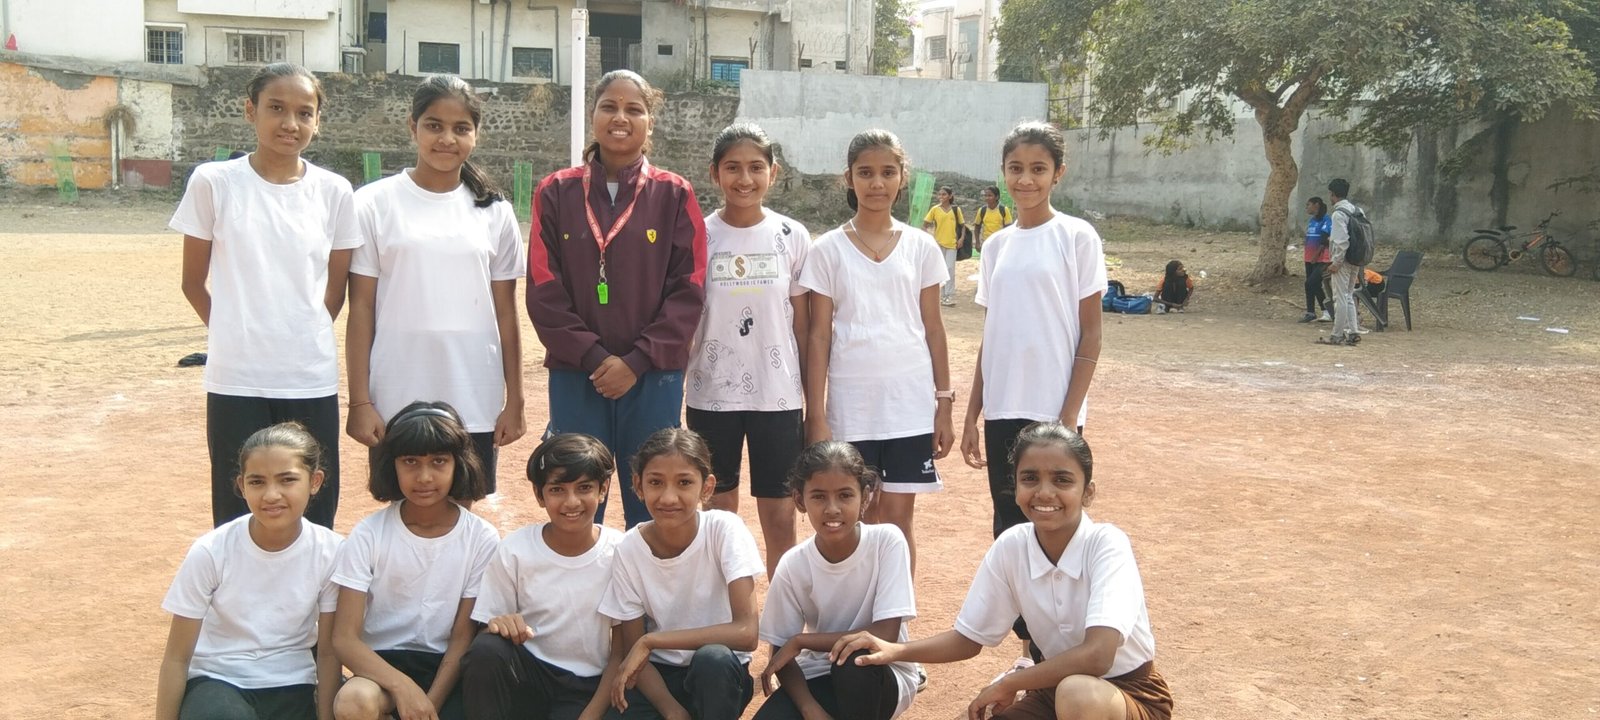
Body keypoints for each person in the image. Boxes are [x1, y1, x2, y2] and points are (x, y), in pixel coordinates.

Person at [833, 423, 1174, 720]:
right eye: (1030, 478)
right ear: (1015, 486)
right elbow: (968, 639)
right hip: (1052, 690)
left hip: (1128, 695)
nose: (1044, 492)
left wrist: (1012, 682)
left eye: (1062, 480)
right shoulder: (1013, 546)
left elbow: (1098, 656)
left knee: (1078, 694)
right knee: (1066, 693)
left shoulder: (1107, 543)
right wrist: (896, 650)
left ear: (1088, 492)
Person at [173, 62, 360, 529]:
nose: (290, 123)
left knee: (315, 505)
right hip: (237, 377)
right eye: (276, 108)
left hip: (309, 375)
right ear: (249, 110)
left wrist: (302, 331)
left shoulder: (334, 191)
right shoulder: (214, 182)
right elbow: (193, 282)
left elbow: (336, 288)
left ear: (317, 120)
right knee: (239, 505)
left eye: (304, 112)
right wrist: (234, 332)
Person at [526, 69, 707, 528]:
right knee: (580, 494)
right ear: (593, 115)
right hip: (576, 373)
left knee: (653, 497)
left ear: (650, 121)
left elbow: (688, 289)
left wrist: (637, 361)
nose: (620, 118)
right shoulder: (555, 191)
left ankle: (651, 578)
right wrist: (593, 357)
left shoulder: (674, 193)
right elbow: (543, 288)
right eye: (609, 106)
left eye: (634, 109)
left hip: (653, 375)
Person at [960, 121, 1105, 678]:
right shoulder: (996, 245)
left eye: (1038, 169)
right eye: (1016, 168)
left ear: (1057, 173)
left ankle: (1062, 646)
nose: (1026, 179)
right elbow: (992, 335)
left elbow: (1091, 334)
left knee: (1058, 521)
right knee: (1011, 525)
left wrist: (1067, 417)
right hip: (1002, 410)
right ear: (1003, 172)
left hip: (1052, 414)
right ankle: (1032, 649)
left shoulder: (1077, 237)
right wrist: (972, 413)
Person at [346, 75, 526, 494]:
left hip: (474, 392)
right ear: (413, 127)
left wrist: (515, 399)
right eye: (434, 125)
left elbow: (506, 313)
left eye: (461, 128)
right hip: (396, 392)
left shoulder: (494, 211)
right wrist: (360, 401)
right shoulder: (372, 204)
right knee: (402, 508)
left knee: (463, 510)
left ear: (476, 134)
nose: (447, 139)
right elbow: (362, 310)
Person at [801, 129, 954, 578]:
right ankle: (860, 610)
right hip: (851, 407)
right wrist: (816, 414)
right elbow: (818, 336)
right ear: (847, 178)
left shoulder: (921, 247)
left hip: (908, 405)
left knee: (899, 521)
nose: (877, 183)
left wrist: (943, 403)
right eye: (865, 173)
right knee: (859, 518)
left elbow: (933, 328)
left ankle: (896, 613)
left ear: (902, 177)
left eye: (888, 172)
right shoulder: (826, 250)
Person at [686, 123, 810, 577]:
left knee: (779, 516)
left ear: (773, 173)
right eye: (732, 168)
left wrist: (812, 403)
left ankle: (783, 609)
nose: (744, 179)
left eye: (756, 167)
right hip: (710, 395)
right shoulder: (697, 235)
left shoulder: (792, 235)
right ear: (714, 173)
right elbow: (685, 317)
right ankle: (723, 606)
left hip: (777, 398)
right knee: (718, 515)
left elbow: (804, 327)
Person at [156, 423, 344, 720]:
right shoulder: (211, 551)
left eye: (287, 480)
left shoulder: (331, 551)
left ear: (315, 481)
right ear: (242, 486)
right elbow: (177, 658)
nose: (271, 495)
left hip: (293, 682)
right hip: (218, 679)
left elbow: (329, 653)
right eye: (257, 482)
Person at [330, 402, 500, 720]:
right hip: (380, 669)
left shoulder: (481, 537)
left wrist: (428, 705)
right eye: (410, 461)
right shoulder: (369, 533)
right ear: (391, 465)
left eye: (439, 461)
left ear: (459, 463)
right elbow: (344, 638)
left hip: (447, 668)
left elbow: (462, 637)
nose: (424, 476)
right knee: (354, 702)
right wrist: (403, 688)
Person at [461, 434, 630, 720]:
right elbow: (487, 633)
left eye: (584, 488)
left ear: (603, 490)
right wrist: (499, 625)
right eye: (557, 490)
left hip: (586, 685)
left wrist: (591, 714)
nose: (572, 502)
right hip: (529, 675)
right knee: (486, 650)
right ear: (540, 495)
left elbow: (621, 650)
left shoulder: (621, 552)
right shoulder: (515, 550)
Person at [600, 429, 765, 720]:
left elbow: (747, 633)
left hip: (719, 674)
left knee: (712, 659)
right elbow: (635, 652)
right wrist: (671, 710)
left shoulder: (724, 530)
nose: (668, 497)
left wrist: (652, 641)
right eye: (655, 482)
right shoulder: (628, 549)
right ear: (638, 485)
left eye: (684, 482)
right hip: (659, 676)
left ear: (707, 487)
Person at [755, 441, 919, 720]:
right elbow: (782, 653)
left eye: (845, 495)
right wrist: (810, 709)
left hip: (881, 670)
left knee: (855, 660)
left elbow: (885, 633)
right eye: (818, 497)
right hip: (819, 672)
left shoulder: (886, 542)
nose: (832, 508)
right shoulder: (793, 564)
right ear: (799, 501)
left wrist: (802, 640)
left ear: (865, 497)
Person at [1320, 178, 1363, 346]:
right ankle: (1353, 331)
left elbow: (1341, 241)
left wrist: (1336, 263)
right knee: (1349, 295)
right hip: (1356, 258)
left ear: (1333, 194)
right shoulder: (1357, 211)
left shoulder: (1338, 214)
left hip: (1343, 260)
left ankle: (1337, 334)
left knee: (1340, 297)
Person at [921, 186, 965, 307]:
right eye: (939, 194)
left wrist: (961, 238)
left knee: (950, 269)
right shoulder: (935, 209)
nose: (941, 197)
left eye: (944, 194)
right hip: (938, 244)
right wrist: (930, 239)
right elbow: (924, 225)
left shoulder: (956, 209)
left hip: (952, 244)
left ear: (950, 196)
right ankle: (941, 295)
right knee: (940, 269)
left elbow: (962, 225)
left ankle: (949, 295)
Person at [1300, 197, 1333, 323]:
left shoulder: (1326, 220)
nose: (1306, 208)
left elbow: (1324, 241)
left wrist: (1316, 255)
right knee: (1310, 285)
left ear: (1316, 205)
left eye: (1308, 205)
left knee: (1311, 283)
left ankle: (1327, 310)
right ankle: (1310, 312)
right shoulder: (1312, 221)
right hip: (1309, 258)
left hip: (1321, 259)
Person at [974, 186, 1014, 251]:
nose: (987, 198)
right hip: (986, 243)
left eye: (990, 195)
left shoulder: (1004, 210)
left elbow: (1009, 228)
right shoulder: (982, 210)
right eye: (985, 195)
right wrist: (977, 242)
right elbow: (977, 226)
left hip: (1000, 244)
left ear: (997, 197)